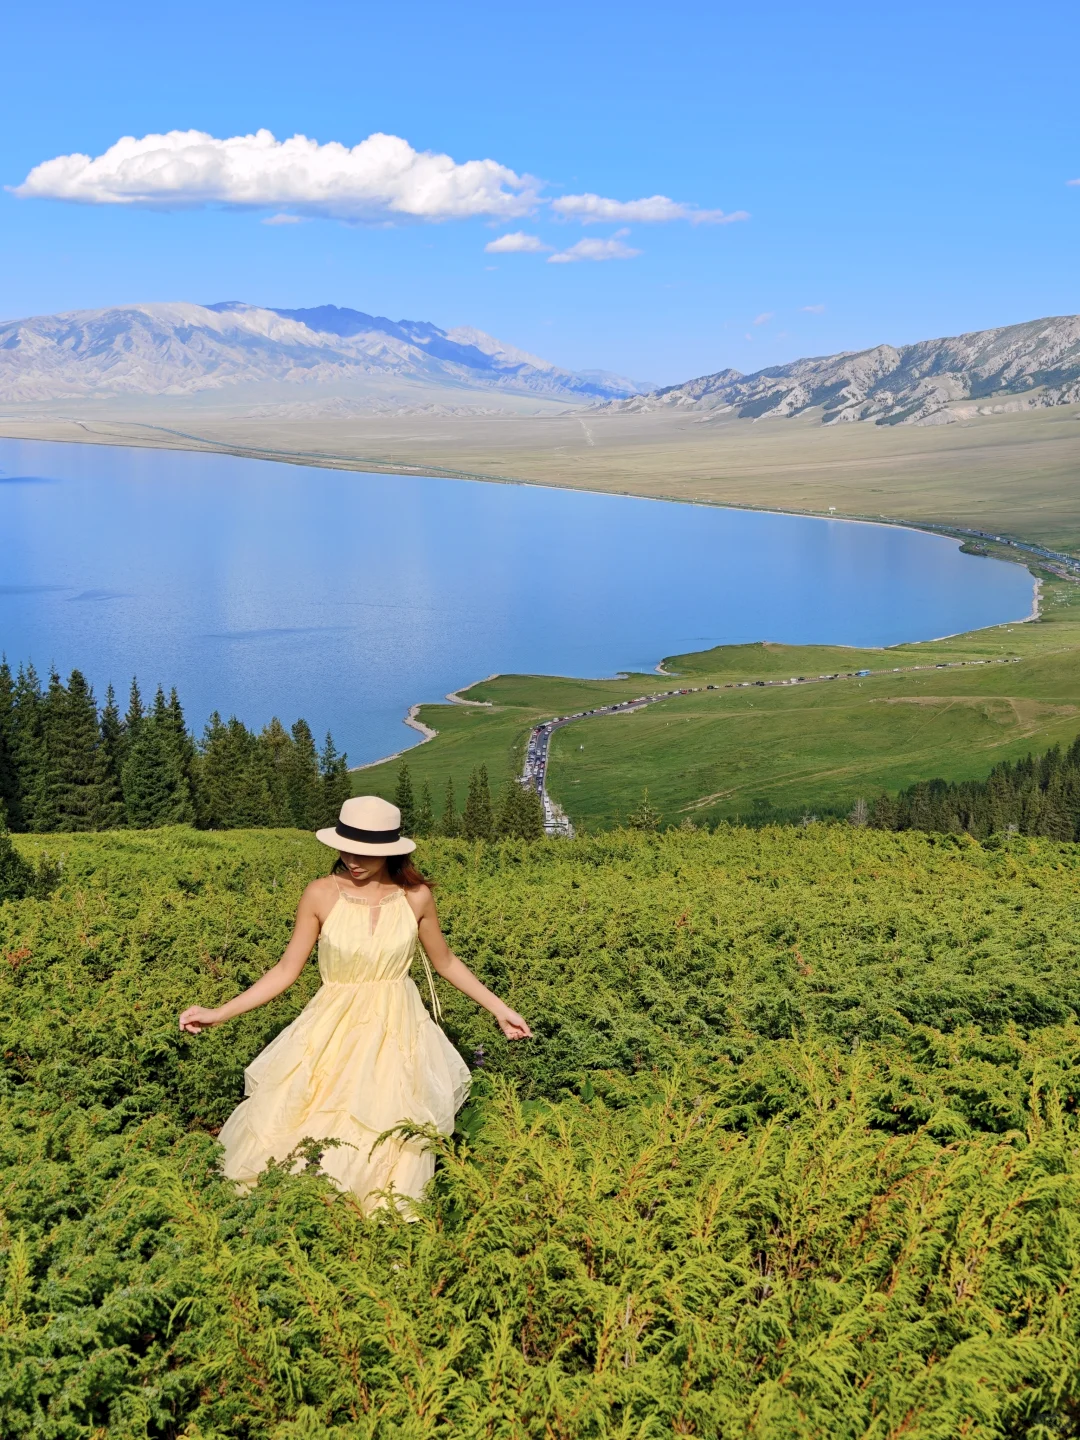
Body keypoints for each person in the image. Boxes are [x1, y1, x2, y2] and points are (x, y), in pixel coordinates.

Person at [178, 795, 531, 1213]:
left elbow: (447, 962)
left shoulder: (416, 897)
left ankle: (378, 1222)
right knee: (312, 1120)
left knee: (390, 1127)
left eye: (367, 851)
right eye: (346, 847)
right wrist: (219, 1013)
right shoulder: (320, 894)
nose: (353, 858)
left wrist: (499, 1007)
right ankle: (307, 1211)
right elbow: (286, 970)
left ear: (390, 851)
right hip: (332, 1028)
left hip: (397, 1031)